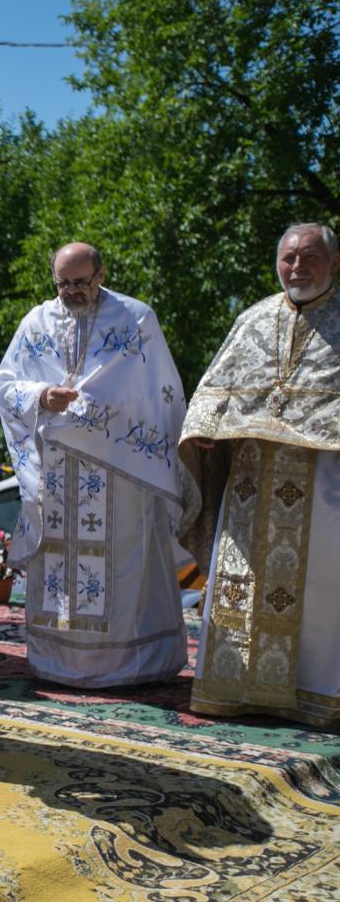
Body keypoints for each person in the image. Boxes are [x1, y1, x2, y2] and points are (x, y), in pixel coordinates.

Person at [0, 242, 188, 687]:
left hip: (121, 474)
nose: (71, 291)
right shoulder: (36, 322)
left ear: (100, 274)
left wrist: (100, 410)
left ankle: (131, 664)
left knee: (122, 565)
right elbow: (5, 387)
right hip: (58, 472)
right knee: (60, 566)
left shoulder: (136, 319)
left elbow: (158, 398)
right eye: (63, 283)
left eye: (81, 282)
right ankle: (57, 661)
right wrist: (41, 396)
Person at [178, 223, 340, 728]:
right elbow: (213, 391)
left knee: (322, 589)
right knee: (239, 586)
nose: (296, 267)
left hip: (324, 487)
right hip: (250, 483)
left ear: (334, 263)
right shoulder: (252, 320)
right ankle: (236, 689)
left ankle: (317, 695)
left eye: (309, 257)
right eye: (288, 258)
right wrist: (205, 431)